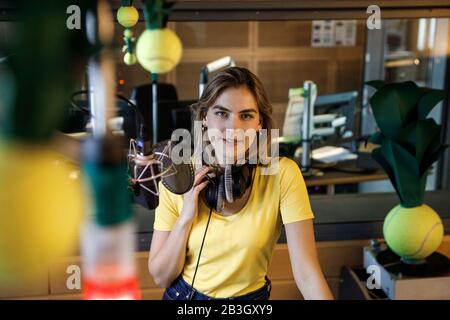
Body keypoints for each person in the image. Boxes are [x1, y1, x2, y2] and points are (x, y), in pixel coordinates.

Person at [148, 67, 334, 300]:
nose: (233, 128)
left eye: (246, 115)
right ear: (204, 117)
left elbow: (307, 274)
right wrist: (186, 217)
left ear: (259, 124)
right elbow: (161, 277)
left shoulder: (284, 175)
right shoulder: (179, 175)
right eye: (222, 113)